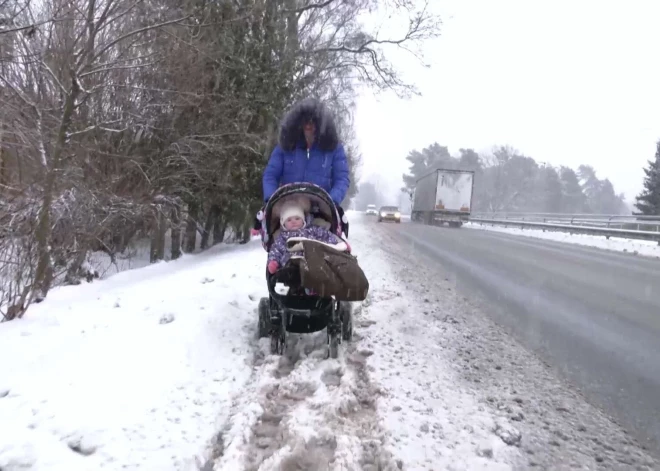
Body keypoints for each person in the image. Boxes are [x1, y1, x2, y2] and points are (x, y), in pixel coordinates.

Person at [261, 97, 351, 236]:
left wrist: (331, 201)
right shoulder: (285, 147)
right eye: (305, 122)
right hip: (290, 208)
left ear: (322, 125)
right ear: (297, 123)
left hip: (321, 210)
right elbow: (271, 175)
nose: (309, 126)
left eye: (313, 122)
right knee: (278, 241)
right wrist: (271, 201)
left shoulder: (333, 149)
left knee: (327, 242)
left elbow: (342, 178)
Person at [267, 198, 348, 274]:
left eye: (297, 218)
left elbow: (327, 237)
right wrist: (273, 261)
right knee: (289, 266)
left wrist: (339, 244)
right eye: (289, 220)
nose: (293, 222)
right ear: (283, 223)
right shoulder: (282, 237)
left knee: (322, 260)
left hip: (314, 258)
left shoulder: (312, 230)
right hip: (291, 263)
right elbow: (275, 250)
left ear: (303, 220)